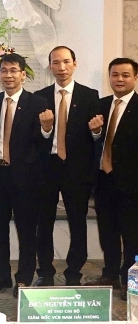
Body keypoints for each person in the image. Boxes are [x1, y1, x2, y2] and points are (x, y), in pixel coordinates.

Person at [0, 53, 53, 297]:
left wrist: (47, 129)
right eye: (4, 70)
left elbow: (43, 144)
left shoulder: (38, 103)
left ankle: (23, 278)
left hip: (26, 178)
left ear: (23, 75)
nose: (8, 75)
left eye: (14, 70)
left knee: (26, 231)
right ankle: (0, 276)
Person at [34, 46, 101, 287]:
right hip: (48, 168)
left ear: (74, 63)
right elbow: (34, 138)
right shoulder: (40, 97)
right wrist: (46, 130)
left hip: (77, 170)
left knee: (77, 222)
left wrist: (96, 132)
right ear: (50, 66)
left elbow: (96, 136)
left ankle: (74, 272)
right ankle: (45, 272)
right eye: (55, 62)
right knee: (44, 223)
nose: (61, 67)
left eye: (65, 62)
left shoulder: (89, 96)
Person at [91, 57, 138, 301]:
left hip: (131, 184)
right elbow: (92, 142)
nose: (119, 79)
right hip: (103, 180)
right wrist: (96, 132)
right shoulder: (100, 105)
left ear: (135, 78)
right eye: (115, 75)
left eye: (125, 75)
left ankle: (130, 281)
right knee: (107, 233)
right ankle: (109, 274)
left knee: (131, 236)